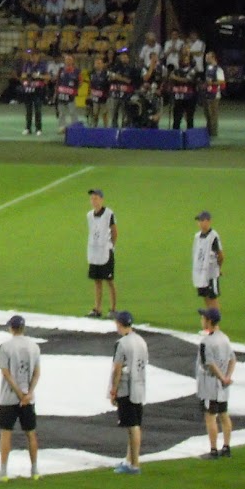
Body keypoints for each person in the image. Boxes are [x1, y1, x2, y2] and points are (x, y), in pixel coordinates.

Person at [0, 314, 40, 481]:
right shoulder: (34, 347)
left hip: (9, 396)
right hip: (28, 397)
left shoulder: (5, 347)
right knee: (31, 433)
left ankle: (3, 472)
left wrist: (19, 394)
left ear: (11, 328)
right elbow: (36, 373)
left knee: (6, 434)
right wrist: (28, 393)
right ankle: (34, 470)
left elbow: (6, 373)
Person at [195, 306, 236, 459]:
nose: (201, 320)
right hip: (223, 387)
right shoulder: (225, 338)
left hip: (210, 385)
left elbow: (210, 364)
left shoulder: (206, 342)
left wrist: (221, 377)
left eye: (203, 318)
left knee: (210, 417)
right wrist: (227, 377)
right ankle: (226, 447)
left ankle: (213, 450)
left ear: (209, 321)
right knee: (224, 415)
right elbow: (233, 359)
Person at [108, 311, 147, 474]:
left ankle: (134, 464)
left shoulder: (122, 344)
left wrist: (113, 390)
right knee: (135, 425)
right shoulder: (141, 340)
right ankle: (129, 459)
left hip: (127, 388)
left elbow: (117, 369)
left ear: (119, 324)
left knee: (132, 427)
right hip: (139, 386)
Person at [85, 188, 119, 318]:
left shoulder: (109, 214)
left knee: (109, 280)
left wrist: (111, 245)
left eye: (96, 198)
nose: (93, 201)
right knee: (97, 280)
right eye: (92, 198)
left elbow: (114, 231)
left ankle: (113, 309)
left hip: (105, 251)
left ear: (101, 199)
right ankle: (97, 309)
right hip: (94, 252)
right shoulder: (89, 215)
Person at [192, 210, 224, 302]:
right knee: (205, 298)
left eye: (202, 220)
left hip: (211, 273)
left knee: (212, 299)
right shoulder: (197, 236)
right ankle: (209, 313)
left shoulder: (213, 236)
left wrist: (218, 268)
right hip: (200, 274)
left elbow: (221, 255)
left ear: (209, 221)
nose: (200, 223)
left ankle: (214, 312)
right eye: (199, 221)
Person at [17, 47, 46, 135]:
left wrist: (39, 76)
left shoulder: (42, 65)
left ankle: (38, 129)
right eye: (31, 56)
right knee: (28, 110)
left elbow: (47, 77)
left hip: (38, 90)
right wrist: (28, 75)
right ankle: (28, 128)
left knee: (38, 110)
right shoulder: (27, 64)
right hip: (28, 90)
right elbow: (23, 75)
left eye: (34, 55)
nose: (32, 57)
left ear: (38, 56)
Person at [200, 50, 226, 136]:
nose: (206, 59)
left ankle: (213, 132)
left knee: (213, 114)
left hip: (215, 94)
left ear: (213, 58)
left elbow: (222, 81)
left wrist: (211, 83)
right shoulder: (208, 68)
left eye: (208, 57)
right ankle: (208, 131)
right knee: (207, 114)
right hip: (207, 93)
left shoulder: (218, 69)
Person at [53, 54, 80, 128]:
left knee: (72, 111)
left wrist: (74, 90)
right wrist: (56, 93)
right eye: (67, 60)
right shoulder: (61, 70)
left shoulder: (76, 71)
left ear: (73, 61)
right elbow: (58, 82)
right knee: (61, 112)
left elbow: (80, 82)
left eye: (70, 60)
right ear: (64, 61)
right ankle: (62, 127)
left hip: (71, 95)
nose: (68, 61)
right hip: (61, 94)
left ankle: (75, 127)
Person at [85, 54, 109, 127]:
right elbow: (90, 84)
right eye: (96, 63)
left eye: (99, 63)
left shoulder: (106, 74)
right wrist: (88, 94)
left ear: (102, 65)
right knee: (95, 113)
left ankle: (106, 127)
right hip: (94, 96)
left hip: (104, 97)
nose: (98, 65)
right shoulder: (91, 74)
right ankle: (94, 126)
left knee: (104, 113)